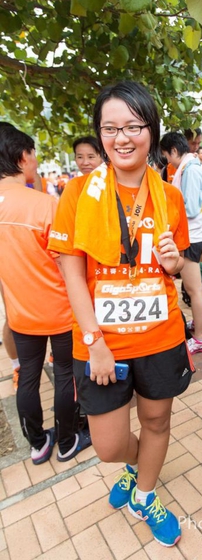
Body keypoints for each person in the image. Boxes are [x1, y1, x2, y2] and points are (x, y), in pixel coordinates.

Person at [48, 81, 194, 548]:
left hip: (160, 336)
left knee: (157, 423)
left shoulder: (169, 196)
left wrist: (173, 264)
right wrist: (95, 343)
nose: (122, 138)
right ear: (100, 134)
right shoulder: (77, 193)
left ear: (152, 130)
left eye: (133, 126)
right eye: (110, 128)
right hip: (101, 344)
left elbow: (175, 265)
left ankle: (145, 493)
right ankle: (135, 466)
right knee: (109, 446)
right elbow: (72, 274)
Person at [0, 124, 91, 465]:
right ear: (22, 157)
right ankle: (67, 441)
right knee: (66, 374)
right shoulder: (46, 205)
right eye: (33, 154)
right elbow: (69, 264)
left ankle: (38, 444)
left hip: (19, 314)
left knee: (27, 376)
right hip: (60, 311)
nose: (36, 162)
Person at [160, 131, 202, 354]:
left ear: (173, 151)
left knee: (194, 289)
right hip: (191, 235)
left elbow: (189, 208)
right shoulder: (190, 168)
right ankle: (200, 324)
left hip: (191, 236)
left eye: (166, 156)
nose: (167, 161)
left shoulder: (189, 170)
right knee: (193, 288)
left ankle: (199, 338)